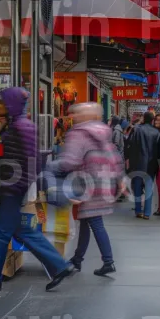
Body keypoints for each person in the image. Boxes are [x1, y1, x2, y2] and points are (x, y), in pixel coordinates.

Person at [0, 88, 74, 292]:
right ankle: (59, 266)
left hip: (14, 188)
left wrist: (15, 185)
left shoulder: (21, 126)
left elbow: (29, 160)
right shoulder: (18, 124)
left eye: (3, 102)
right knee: (20, 230)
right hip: (14, 187)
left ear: (12, 104)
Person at [50, 103, 123, 276]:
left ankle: (108, 261)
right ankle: (77, 259)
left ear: (85, 116)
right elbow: (114, 155)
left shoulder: (79, 133)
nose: (73, 116)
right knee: (86, 221)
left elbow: (71, 161)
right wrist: (118, 177)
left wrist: (50, 166)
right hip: (103, 182)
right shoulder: (103, 131)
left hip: (86, 183)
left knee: (95, 222)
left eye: (76, 113)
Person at [127, 111, 160, 219]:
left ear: (143, 118)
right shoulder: (156, 132)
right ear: (152, 120)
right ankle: (147, 212)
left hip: (138, 163)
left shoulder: (136, 129)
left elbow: (129, 145)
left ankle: (138, 210)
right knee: (149, 187)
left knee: (137, 187)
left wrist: (129, 160)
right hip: (151, 164)